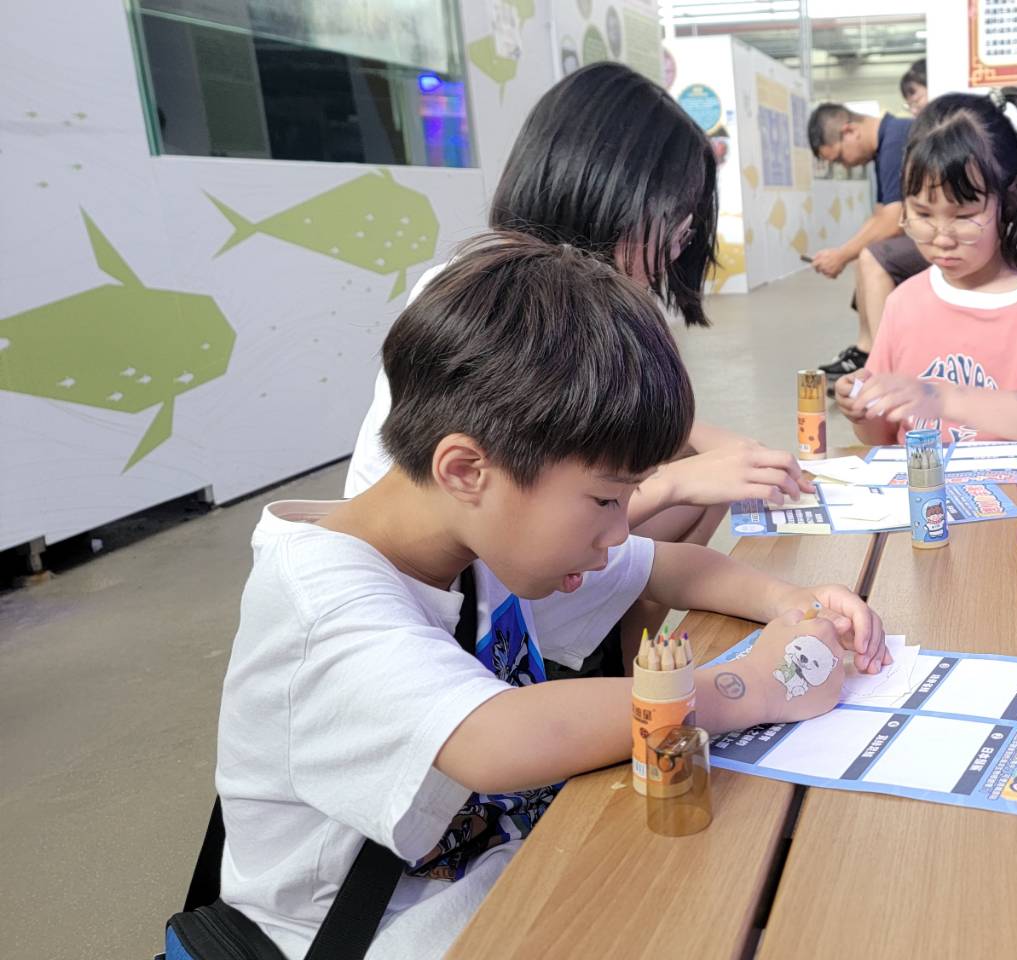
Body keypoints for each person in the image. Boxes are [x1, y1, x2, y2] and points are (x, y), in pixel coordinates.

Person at [217, 234, 889, 958]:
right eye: (605, 499)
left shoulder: (475, 535)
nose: (617, 527)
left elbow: (670, 567)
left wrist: (793, 601)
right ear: (467, 469)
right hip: (385, 929)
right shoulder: (322, 601)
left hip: (509, 862)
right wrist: (757, 684)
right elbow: (496, 736)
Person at [347, 63, 809, 669]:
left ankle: (618, 657)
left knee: (702, 484)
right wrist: (672, 481)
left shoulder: (571, 302)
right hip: (476, 582)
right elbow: (502, 494)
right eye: (671, 226)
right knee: (690, 488)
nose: (677, 248)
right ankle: (605, 668)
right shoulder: (491, 304)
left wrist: (711, 446)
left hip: (501, 570)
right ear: (604, 194)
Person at [834, 88, 1017, 665]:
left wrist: (943, 396)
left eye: (963, 213)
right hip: (921, 524)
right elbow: (879, 439)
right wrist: (865, 410)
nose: (940, 235)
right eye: (921, 213)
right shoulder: (906, 302)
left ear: (1009, 198)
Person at [805, 102, 929, 380]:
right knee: (867, 254)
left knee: (871, 257)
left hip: (945, 236)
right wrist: (842, 252)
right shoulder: (886, 143)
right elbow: (880, 215)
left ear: (850, 131)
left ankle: (881, 367)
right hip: (928, 233)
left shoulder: (897, 141)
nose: (844, 166)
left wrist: (842, 255)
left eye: (838, 158)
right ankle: (867, 349)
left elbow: (893, 220)